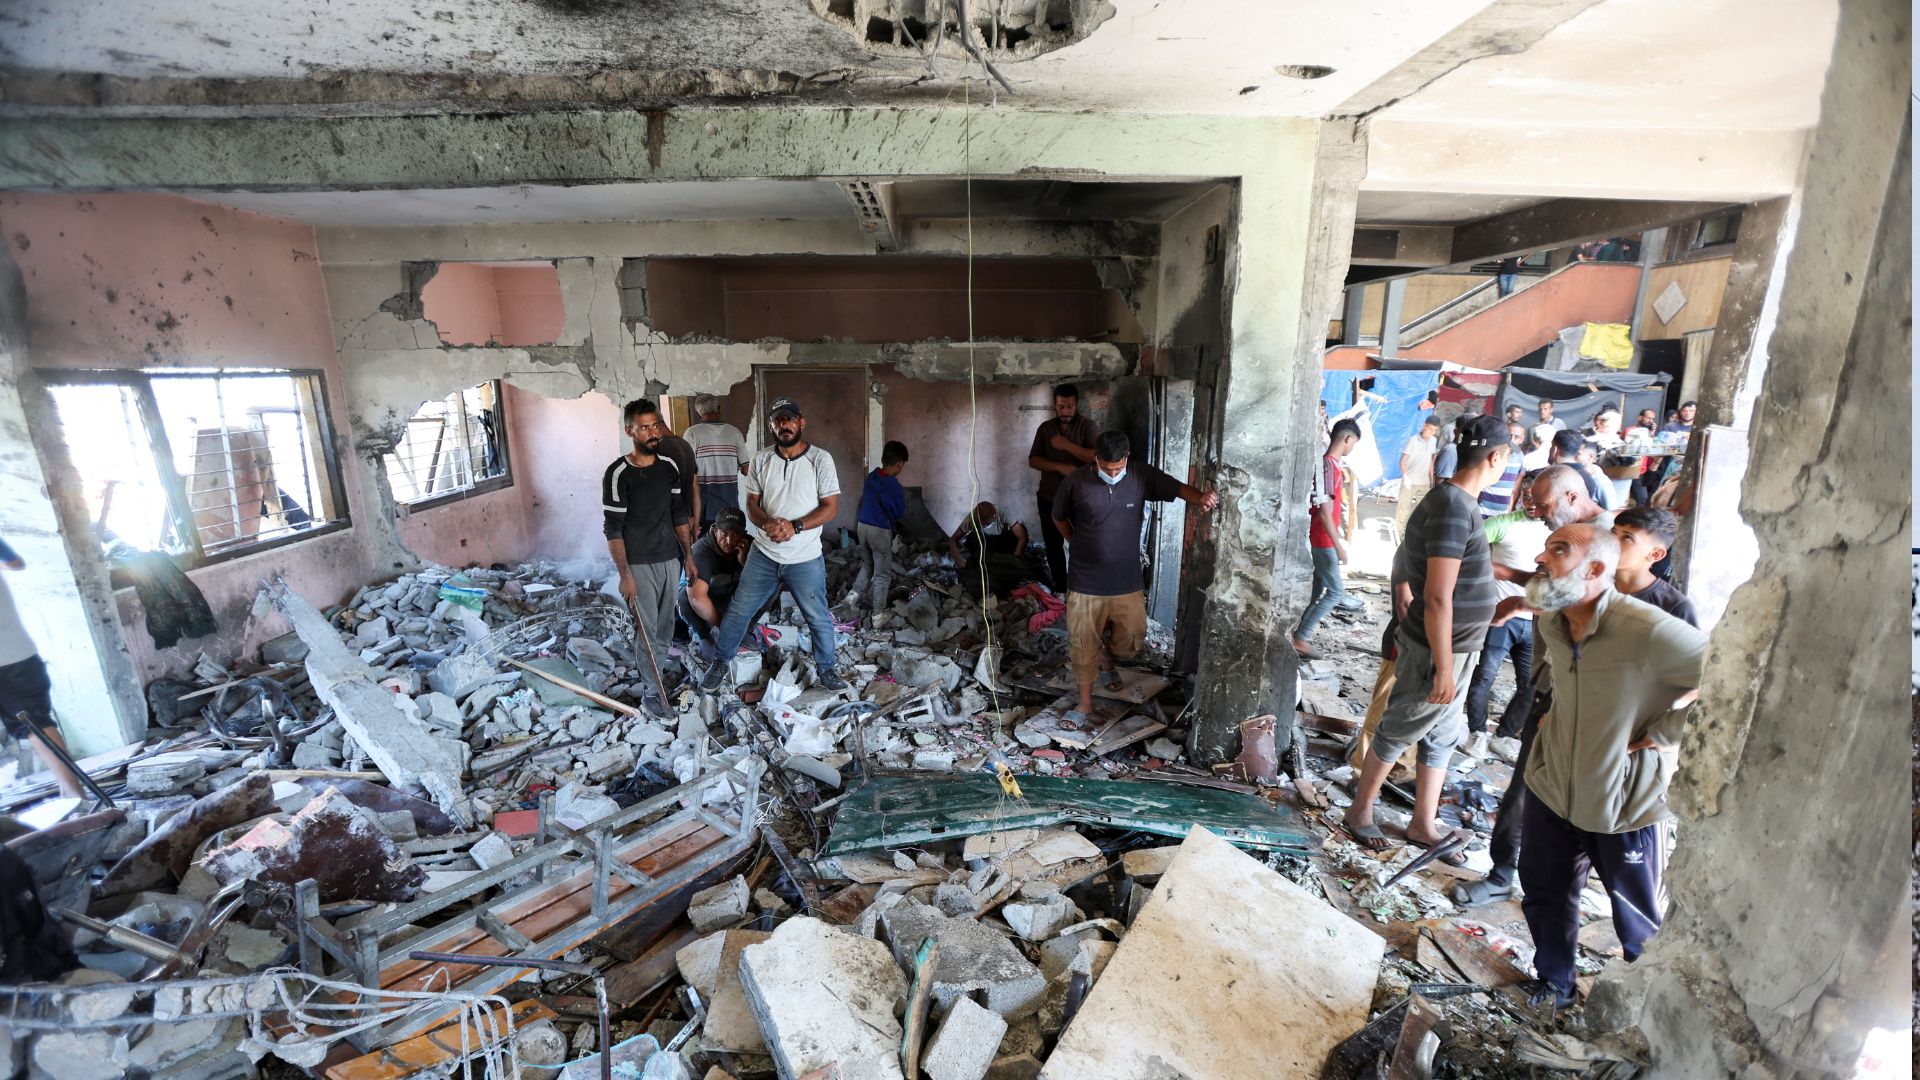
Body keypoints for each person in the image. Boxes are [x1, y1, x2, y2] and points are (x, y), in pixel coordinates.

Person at [1513, 523, 1707, 1008]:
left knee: (1635, 917)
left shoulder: (1648, 630)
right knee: (1543, 890)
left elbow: (1737, 678)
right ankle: (1555, 983)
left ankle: (1643, 1013)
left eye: (1557, 551)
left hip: (1624, 802)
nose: (1541, 557)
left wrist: (1665, 733)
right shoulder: (1553, 621)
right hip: (1554, 784)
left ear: (1596, 569)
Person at [1341, 415, 1510, 858]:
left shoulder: (1452, 500)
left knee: (1441, 737)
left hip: (1456, 647)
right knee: (1400, 729)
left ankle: (1423, 823)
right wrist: (1445, 668)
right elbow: (1437, 597)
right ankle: (1359, 811)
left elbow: (1459, 569)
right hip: (1441, 648)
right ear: (1498, 458)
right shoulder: (1455, 507)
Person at [1452, 465, 1613, 906]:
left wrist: (1523, 592)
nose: (1537, 514)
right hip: (1553, 680)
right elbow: (1559, 589)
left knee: (1563, 799)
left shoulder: (1608, 539)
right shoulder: (1573, 535)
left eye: (1543, 506)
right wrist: (1516, 580)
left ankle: (1558, 888)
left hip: (1584, 694)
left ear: (1571, 498)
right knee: (1524, 786)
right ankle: (1507, 872)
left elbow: (1581, 601)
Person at [1052, 431, 1217, 721]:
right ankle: (1085, 704)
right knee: (1081, 643)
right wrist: (1075, 542)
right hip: (1085, 581)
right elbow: (1058, 516)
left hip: (1126, 581)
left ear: (1127, 458)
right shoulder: (1075, 482)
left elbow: (1178, 489)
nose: (1113, 473)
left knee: (1131, 641)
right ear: (1096, 459)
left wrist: (1201, 498)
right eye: (1106, 468)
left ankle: (1106, 655)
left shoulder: (1140, 475)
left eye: (1118, 468)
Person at [699, 397, 849, 693]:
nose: (784, 425)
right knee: (739, 611)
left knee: (817, 616)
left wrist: (795, 526)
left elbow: (831, 507)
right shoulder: (761, 459)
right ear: (771, 426)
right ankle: (720, 662)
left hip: (805, 557)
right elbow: (751, 503)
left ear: (801, 422)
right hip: (764, 554)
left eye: (789, 419)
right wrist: (765, 523)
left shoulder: (820, 459)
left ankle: (827, 669)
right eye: (778, 420)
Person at [603, 399, 696, 713]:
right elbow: (613, 529)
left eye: (656, 425)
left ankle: (655, 676)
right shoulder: (618, 474)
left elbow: (679, 515)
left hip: (670, 559)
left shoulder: (668, 467)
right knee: (647, 628)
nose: (653, 432)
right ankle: (651, 692)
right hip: (639, 565)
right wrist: (625, 575)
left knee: (666, 625)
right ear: (630, 431)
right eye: (645, 427)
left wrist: (689, 557)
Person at [1461, 472, 1549, 757]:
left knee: (1529, 685)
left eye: (1537, 499)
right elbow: (1466, 547)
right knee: (1484, 675)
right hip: (1500, 616)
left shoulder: (1559, 530)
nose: (1531, 504)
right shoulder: (1503, 524)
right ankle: (1477, 732)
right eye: (1526, 498)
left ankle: (1506, 734)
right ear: (1519, 496)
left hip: (1536, 620)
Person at [0, 539, 83, 799]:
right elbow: (16, 563)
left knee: (36, 725)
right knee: (38, 723)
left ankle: (74, 795)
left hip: (11, 656)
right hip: (19, 653)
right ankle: (73, 793)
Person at [1292, 418, 1361, 659]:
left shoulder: (1326, 465)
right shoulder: (1330, 467)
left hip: (1321, 536)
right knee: (1335, 592)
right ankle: (1301, 637)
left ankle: (1298, 633)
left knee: (1318, 588)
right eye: (1353, 444)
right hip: (1323, 538)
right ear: (1347, 439)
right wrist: (1339, 546)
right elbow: (1324, 511)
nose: (1352, 448)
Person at [1026, 384, 1101, 593]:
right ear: (1054, 406)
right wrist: (1061, 467)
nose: (1065, 411)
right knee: (1053, 546)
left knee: (1084, 543)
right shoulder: (1046, 428)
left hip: (1080, 500)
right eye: (1061, 407)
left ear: (1076, 405)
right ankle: (1061, 588)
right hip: (1049, 497)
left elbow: (1098, 457)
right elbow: (1033, 460)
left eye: (1069, 406)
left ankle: (1086, 587)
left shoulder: (1088, 426)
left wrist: (1066, 445)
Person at [678, 508, 752, 662]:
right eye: (725, 534)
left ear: (744, 534)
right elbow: (697, 599)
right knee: (684, 598)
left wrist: (746, 563)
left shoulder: (749, 546)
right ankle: (705, 636)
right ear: (715, 530)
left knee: (771, 585)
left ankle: (747, 630)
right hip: (706, 601)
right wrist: (724, 627)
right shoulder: (701, 552)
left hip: (729, 599)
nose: (730, 541)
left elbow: (761, 588)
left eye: (736, 535)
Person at [1612, 507, 1699, 626]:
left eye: (1627, 538)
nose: (1611, 541)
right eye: (1613, 532)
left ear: (1655, 554)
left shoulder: (1674, 607)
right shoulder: (1593, 579)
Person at [852, 441, 909, 619]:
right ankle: (877, 616)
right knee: (882, 574)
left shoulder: (871, 477)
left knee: (868, 566)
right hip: (879, 531)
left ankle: (850, 601)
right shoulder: (894, 486)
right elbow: (899, 512)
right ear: (899, 464)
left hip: (862, 526)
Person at [684, 394, 750, 531]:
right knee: (728, 546)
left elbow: (688, 473)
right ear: (718, 408)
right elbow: (746, 469)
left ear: (697, 413)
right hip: (729, 505)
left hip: (703, 507)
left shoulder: (691, 433)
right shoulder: (735, 433)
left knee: (704, 548)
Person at [1394, 416, 1440, 542]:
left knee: (1425, 510)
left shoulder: (1433, 441)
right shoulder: (1413, 440)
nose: (1432, 432)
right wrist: (1405, 476)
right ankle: (1400, 535)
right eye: (1430, 429)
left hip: (1424, 482)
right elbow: (1402, 461)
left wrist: (1432, 481)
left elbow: (1431, 462)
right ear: (1424, 426)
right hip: (1410, 481)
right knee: (1404, 508)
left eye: (1435, 430)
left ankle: (1419, 534)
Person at [654, 415, 700, 532]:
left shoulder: (657, 448)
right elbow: (695, 489)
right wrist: (695, 524)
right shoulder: (686, 446)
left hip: (666, 525)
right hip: (686, 522)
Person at [950, 501, 1028, 567]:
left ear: (994, 516)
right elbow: (953, 539)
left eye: (985, 522)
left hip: (1001, 544)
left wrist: (1015, 559)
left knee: (1019, 532)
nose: (982, 525)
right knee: (972, 538)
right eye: (980, 522)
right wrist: (958, 559)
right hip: (986, 546)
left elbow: (1022, 537)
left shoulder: (1003, 512)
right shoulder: (973, 517)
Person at [1478, 422, 1527, 517]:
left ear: (1522, 439)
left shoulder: (1520, 456)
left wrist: (1510, 509)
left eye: (1516, 437)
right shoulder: (1489, 451)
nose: (1511, 440)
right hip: (1480, 509)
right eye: (1509, 435)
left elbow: (1515, 488)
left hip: (1502, 514)